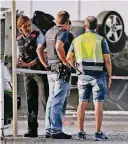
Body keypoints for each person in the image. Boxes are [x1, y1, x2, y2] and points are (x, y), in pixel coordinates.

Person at [66, 16, 112, 141]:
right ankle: (98, 133)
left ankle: (81, 132)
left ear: (85, 27)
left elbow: (68, 57)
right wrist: (109, 77)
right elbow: (107, 60)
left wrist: (76, 67)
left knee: (82, 103)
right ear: (97, 27)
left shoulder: (77, 40)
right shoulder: (101, 40)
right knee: (98, 104)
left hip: (83, 76)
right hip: (98, 76)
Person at [36, 11, 72, 139]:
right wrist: (65, 62)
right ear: (67, 22)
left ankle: (48, 129)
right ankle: (56, 130)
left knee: (51, 100)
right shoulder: (63, 33)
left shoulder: (49, 32)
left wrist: (45, 64)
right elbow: (58, 46)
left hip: (51, 70)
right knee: (58, 101)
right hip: (61, 70)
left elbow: (39, 49)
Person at [16, 15, 49, 137]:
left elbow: (42, 55)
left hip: (39, 72)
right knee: (31, 102)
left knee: (45, 100)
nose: (28, 28)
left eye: (29, 25)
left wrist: (27, 64)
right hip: (27, 74)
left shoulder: (38, 35)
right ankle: (32, 130)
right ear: (20, 28)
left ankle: (49, 129)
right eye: (25, 26)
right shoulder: (18, 39)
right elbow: (18, 54)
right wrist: (19, 62)